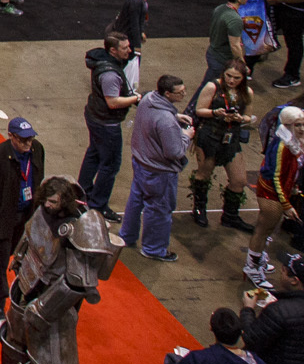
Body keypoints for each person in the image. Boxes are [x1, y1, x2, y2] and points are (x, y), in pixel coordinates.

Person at [6, 177, 113, 364]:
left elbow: (78, 282)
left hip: (52, 307)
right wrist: (19, 258)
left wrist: (44, 311)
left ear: (65, 200)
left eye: (54, 201)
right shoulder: (43, 211)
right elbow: (31, 236)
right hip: (25, 288)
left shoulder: (78, 228)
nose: (48, 205)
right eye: (46, 200)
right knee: (13, 344)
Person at [0, 116, 43, 321]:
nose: (28, 144)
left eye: (30, 139)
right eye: (23, 140)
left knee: (16, 253)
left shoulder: (37, 150)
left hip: (26, 216)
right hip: (4, 218)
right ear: (11, 136)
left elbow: (39, 179)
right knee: (1, 262)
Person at [121, 73, 194, 261]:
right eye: (180, 92)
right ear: (168, 94)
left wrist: (174, 114)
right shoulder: (167, 123)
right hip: (158, 171)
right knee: (159, 209)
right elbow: (174, 152)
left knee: (136, 200)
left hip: (140, 162)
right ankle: (153, 249)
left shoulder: (148, 99)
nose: (184, 94)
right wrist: (186, 135)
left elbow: (158, 115)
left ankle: (127, 236)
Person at [77, 30, 139, 224]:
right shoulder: (110, 74)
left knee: (94, 153)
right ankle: (98, 204)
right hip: (106, 122)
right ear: (113, 50)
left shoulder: (102, 62)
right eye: (125, 48)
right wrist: (135, 98)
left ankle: (82, 190)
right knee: (110, 164)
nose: (130, 50)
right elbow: (113, 102)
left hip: (95, 115)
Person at [190, 58, 257, 234]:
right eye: (229, 76)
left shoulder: (247, 92)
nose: (231, 80)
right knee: (204, 173)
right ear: (223, 73)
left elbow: (249, 117)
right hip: (210, 135)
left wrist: (241, 119)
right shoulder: (213, 87)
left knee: (239, 180)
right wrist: (215, 112)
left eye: (236, 77)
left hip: (231, 138)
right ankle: (199, 209)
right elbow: (199, 110)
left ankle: (230, 215)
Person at [249, 106, 304, 287]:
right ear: (288, 125)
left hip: (280, 191)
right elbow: (276, 177)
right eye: (297, 125)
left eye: (303, 124)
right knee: (263, 230)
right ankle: (252, 268)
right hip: (271, 192)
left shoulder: (291, 141)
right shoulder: (282, 145)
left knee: (267, 230)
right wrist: (286, 204)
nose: (302, 129)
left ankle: (258, 260)